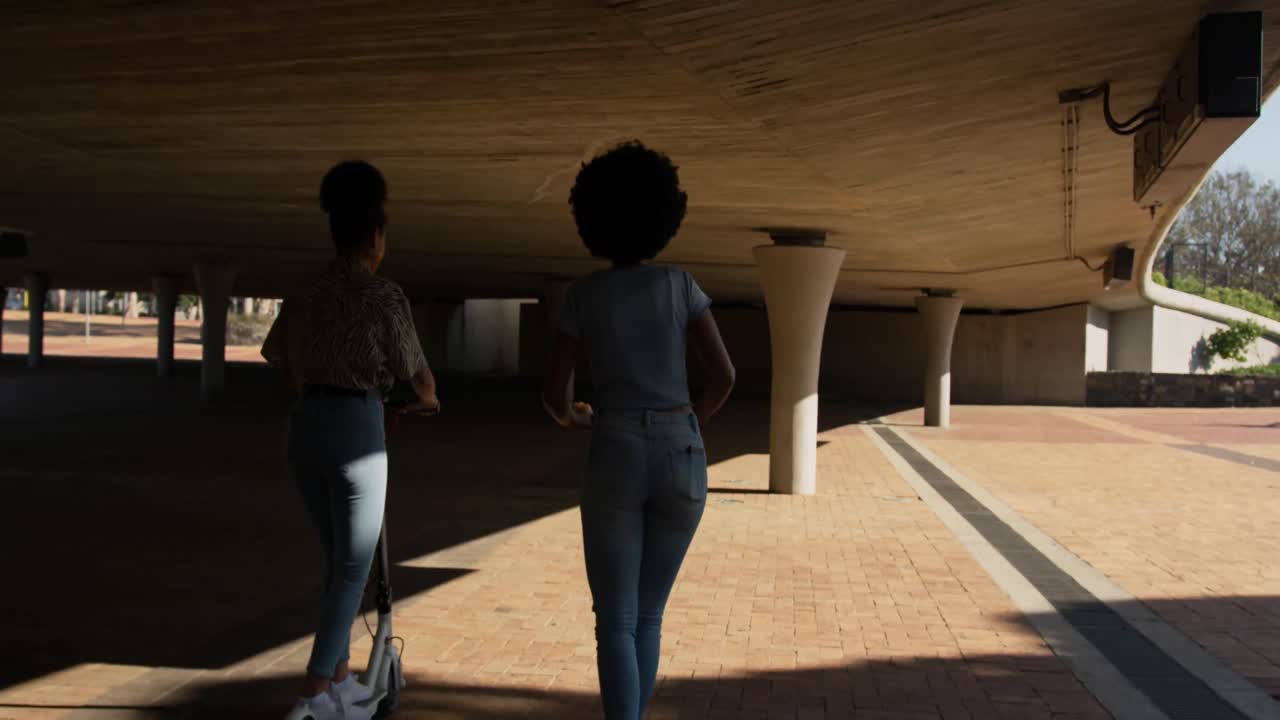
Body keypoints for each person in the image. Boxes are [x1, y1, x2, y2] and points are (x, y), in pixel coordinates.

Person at [543, 141, 736, 719]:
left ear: (591, 218)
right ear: (663, 214)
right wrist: (688, 423)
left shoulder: (584, 295)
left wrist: (578, 417)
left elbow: (554, 395)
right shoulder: (682, 286)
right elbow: (723, 376)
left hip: (615, 447)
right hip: (682, 449)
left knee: (617, 621)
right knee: (649, 615)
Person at [261, 161, 439, 720]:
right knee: (353, 569)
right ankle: (313, 695)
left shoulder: (304, 291)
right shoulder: (383, 295)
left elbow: (277, 357)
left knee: (335, 561)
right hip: (356, 432)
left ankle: (339, 680)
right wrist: (420, 401)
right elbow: (422, 380)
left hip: (304, 427)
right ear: (376, 236)